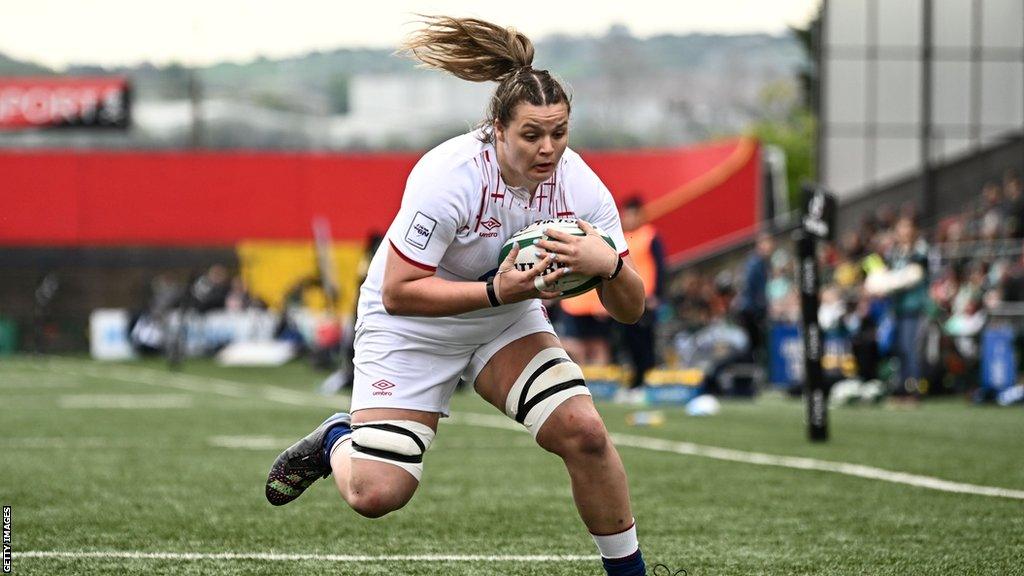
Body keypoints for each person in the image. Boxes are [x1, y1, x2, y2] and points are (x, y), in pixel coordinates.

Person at [264, 17, 648, 576]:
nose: (548, 148)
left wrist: (609, 265)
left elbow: (631, 308)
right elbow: (398, 292)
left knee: (584, 433)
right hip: (413, 324)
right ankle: (335, 442)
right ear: (497, 129)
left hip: (502, 320)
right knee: (376, 494)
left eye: (559, 132)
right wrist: (495, 290)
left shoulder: (582, 187)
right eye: (532, 134)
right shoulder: (449, 176)